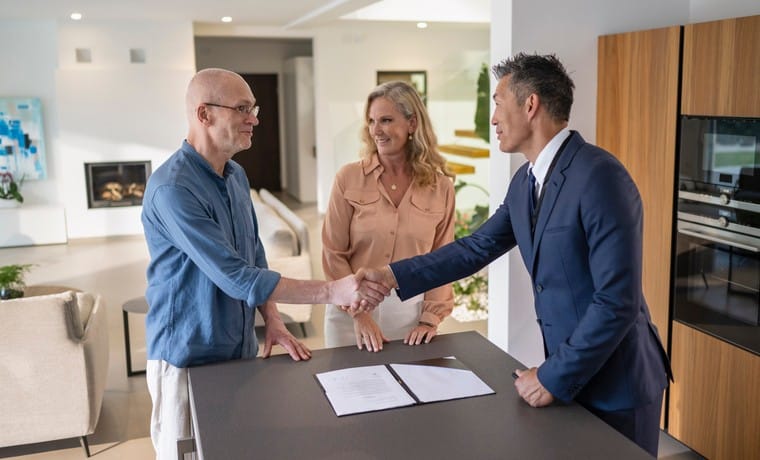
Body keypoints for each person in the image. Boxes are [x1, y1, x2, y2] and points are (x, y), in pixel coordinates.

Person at [361, 53, 671, 457]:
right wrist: (390, 275)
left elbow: (617, 301)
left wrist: (551, 375)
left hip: (617, 385)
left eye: (497, 103)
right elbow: (477, 247)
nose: (492, 118)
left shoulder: (600, 176)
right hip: (571, 378)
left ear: (530, 105)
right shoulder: (525, 182)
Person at [141, 68, 387, 460]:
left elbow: (252, 254)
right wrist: (333, 290)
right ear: (204, 114)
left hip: (237, 350)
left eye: (252, 107)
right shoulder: (173, 188)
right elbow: (236, 277)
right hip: (186, 356)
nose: (254, 118)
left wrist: (271, 318)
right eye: (242, 108)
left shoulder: (236, 175)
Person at [322, 80, 456, 352]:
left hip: (411, 316)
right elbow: (332, 252)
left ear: (412, 123)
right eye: (371, 121)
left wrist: (429, 320)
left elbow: (444, 259)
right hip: (349, 313)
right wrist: (359, 314)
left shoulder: (441, 187)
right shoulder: (348, 178)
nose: (376, 131)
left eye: (386, 120)